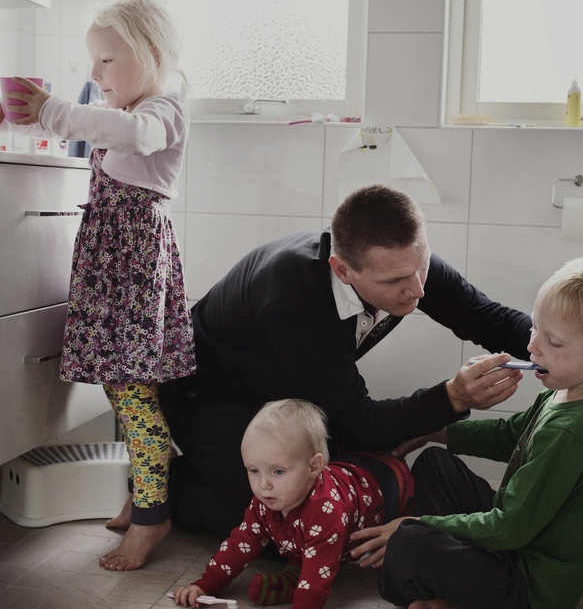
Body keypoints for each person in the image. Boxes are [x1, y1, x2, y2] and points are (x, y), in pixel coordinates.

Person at [159, 184, 537, 538]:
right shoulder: (295, 299)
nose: (419, 289)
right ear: (342, 269)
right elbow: (357, 422)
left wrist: (563, 346)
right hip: (208, 394)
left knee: (353, 500)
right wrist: (454, 397)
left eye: (422, 266)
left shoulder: (403, 265)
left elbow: (491, 319)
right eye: (395, 282)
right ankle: (165, 490)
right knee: (293, 529)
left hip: (287, 393)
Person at [1, 0, 196, 571]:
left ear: (152, 54)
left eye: (107, 60)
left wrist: (50, 109)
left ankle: (152, 518)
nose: (94, 73)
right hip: (116, 270)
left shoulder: (164, 111)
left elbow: (130, 134)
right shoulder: (137, 111)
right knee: (125, 389)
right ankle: (143, 496)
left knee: (133, 394)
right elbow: (106, 131)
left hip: (130, 273)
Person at [351, 255, 583, 609]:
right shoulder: (569, 392)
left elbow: (509, 529)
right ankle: (460, 596)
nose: (533, 347)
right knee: (434, 463)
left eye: (553, 342)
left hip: (532, 590)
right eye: (535, 328)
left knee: (408, 542)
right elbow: (509, 436)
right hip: (516, 546)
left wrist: (419, 523)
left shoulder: (573, 431)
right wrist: (432, 431)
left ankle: (454, 593)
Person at [171, 398, 414, 609]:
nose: (263, 485)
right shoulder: (267, 498)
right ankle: (292, 578)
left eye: (277, 472)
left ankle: (297, 580)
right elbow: (241, 542)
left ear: (313, 467)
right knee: (309, 545)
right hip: (334, 503)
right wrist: (206, 584)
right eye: (253, 470)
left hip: (391, 484)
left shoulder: (326, 508)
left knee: (394, 561)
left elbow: (322, 569)